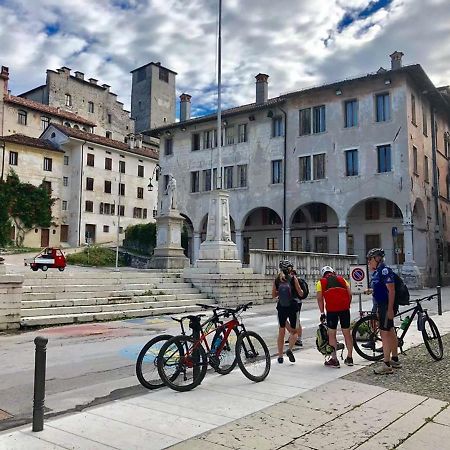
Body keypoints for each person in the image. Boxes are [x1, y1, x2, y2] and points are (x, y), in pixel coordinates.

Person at [366, 248, 401, 375]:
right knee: (390, 331)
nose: (369, 262)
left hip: (386, 305)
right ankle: (395, 359)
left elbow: (391, 290)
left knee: (384, 334)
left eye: (370, 259)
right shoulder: (378, 272)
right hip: (382, 304)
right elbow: (380, 288)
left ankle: (386, 364)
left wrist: (390, 309)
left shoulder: (384, 271)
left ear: (377, 259)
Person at [316, 266, 353, 368]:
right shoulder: (342, 279)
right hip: (345, 310)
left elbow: (319, 299)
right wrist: (347, 305)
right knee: (347, 333)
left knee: (331, 334)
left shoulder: (321, 282)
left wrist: (322, 312)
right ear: (333, 272)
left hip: (332, 311)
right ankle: (349, 358)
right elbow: (350, 294)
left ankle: (334, 360)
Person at [272, 260, 303, 364]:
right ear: (290, 268)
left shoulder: (277, 279)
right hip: (293, 307)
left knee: (281, 332)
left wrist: (280, 292)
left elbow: (273, 295)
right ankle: (289, 349)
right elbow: (300, 293)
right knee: (294, 332)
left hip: (281, 307)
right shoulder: (293, 278)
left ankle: (280, 356)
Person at [285, 265, 303, 347]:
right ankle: (293, 335)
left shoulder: (294, 278)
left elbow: (300, 292)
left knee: (296, 321)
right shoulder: (284, 278)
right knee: (286, 320)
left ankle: (298, 338)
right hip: (288, 302)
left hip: (296, 302)